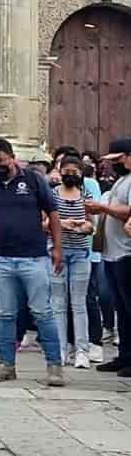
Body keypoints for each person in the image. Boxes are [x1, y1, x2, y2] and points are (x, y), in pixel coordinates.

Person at [0, 138, 64, 386]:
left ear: (12, 157)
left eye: (0, 160)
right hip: (1, 259)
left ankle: (55, 366)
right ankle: (6, 365)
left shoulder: (33, 180)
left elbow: (53, 213)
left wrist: (57, 248)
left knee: (43, 312)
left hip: (34, 258)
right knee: (5, 314)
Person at [88, 138, 131, 377]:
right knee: (122, 309)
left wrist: (103, 209)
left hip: (126, 252)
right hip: (113, 253)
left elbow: (128, 212)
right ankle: (125, 355)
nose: (114, 165)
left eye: (118, 160)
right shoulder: (121, 181)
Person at [51, 154, 94, 368]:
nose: (70, 175)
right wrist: (62, 224)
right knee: (58, 303)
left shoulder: (85, 195)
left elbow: (91, 224)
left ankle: (82, 351)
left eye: (74, 172)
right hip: (58, 251)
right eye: (66, 171)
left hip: (80, 253)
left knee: (79, 303)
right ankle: (59, 349)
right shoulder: (52, 195)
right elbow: (44, 222)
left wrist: (83, 226)